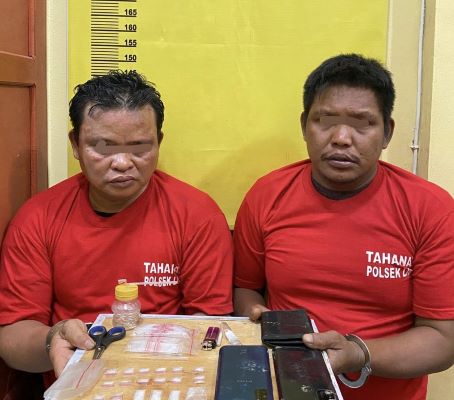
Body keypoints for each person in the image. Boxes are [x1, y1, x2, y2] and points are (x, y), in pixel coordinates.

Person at [233, 54, 454, 400]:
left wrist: (357, 353)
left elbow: (443, 340)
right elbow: (246, 288)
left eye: (362, 124)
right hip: (285, 388)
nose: (340, 138)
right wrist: (255, 317)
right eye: (324, 121)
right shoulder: (267, 195)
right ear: (305, 125)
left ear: (387, 132)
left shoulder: (431, 209)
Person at [0, 71, 233, 380]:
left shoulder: (197, 214)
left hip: (168, 380)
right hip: (75, 383)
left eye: (140, 147)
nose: (122, 163)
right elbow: (13, 336)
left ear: (159, 142)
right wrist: (52, 339)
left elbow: (210, 325)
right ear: (75, 144)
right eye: (103, 147)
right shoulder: (38, 218)